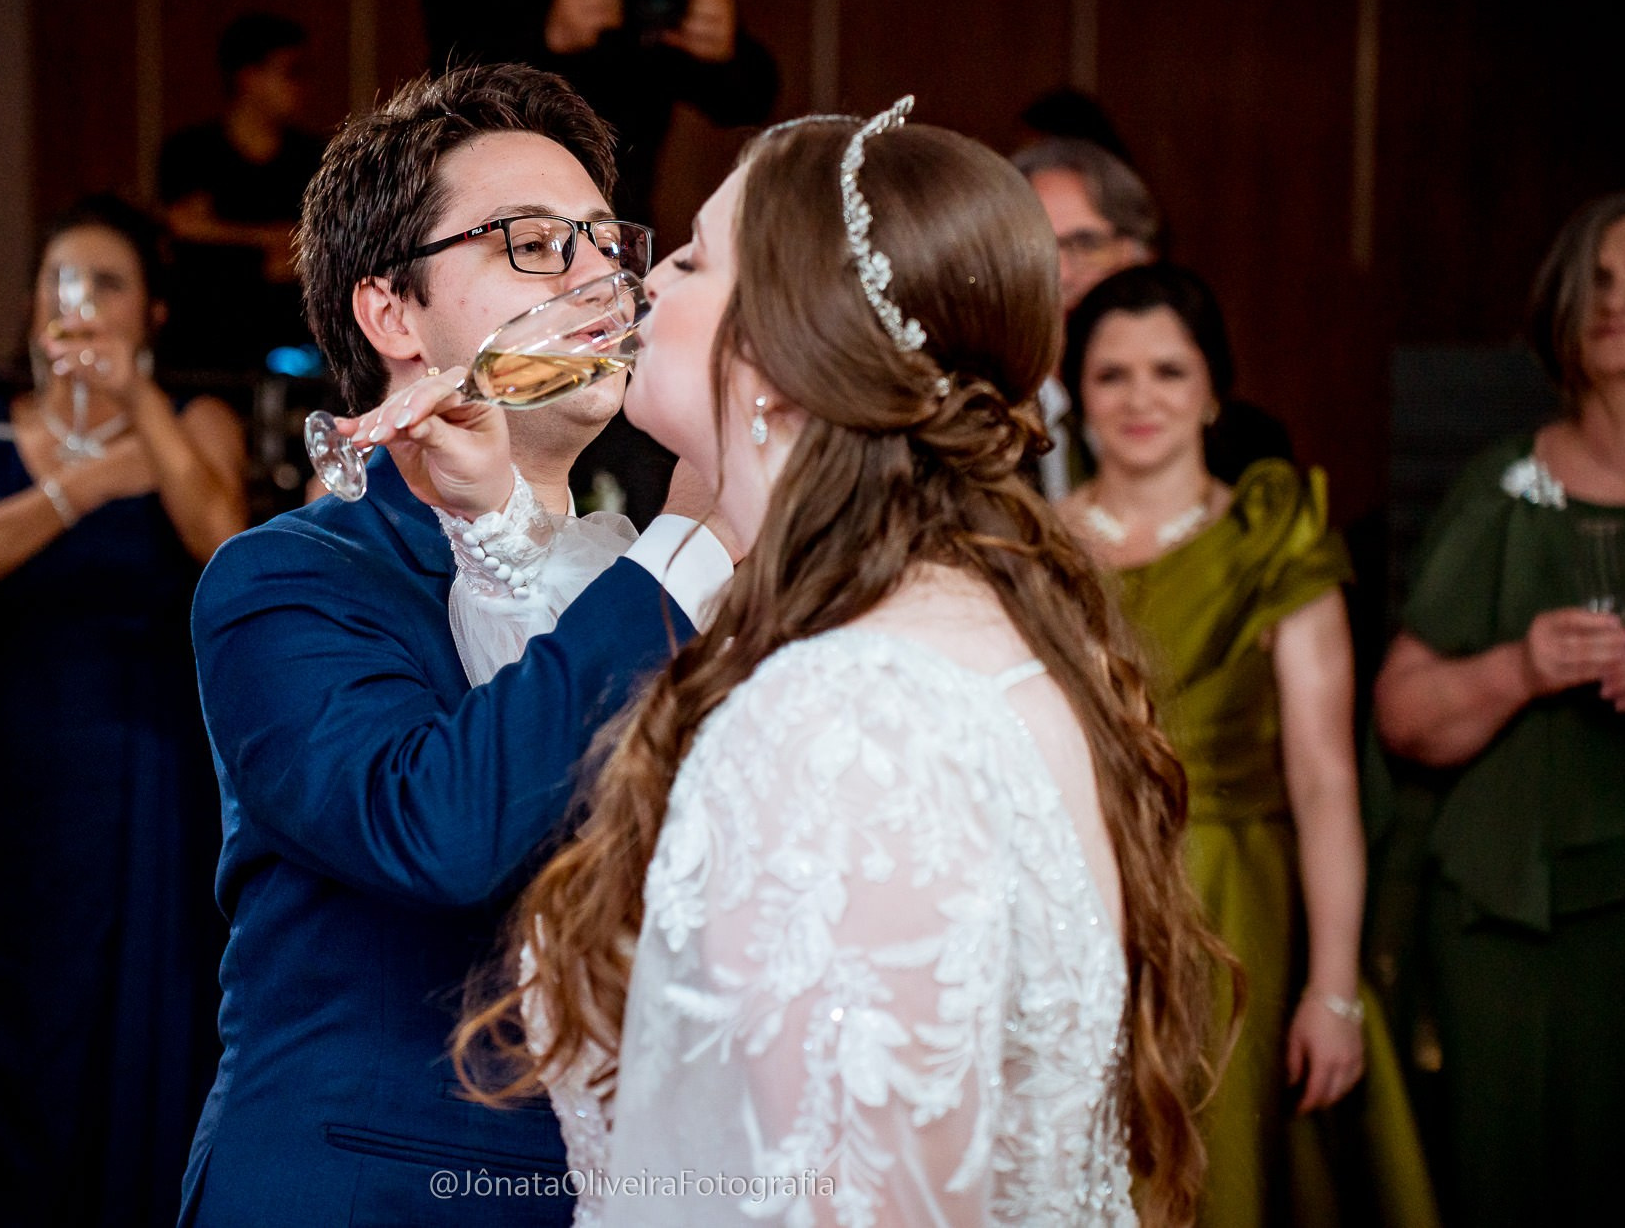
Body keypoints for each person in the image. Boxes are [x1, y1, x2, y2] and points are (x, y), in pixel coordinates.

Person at [454, 100, 1238, 1228]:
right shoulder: (931, 637)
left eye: (692, 257)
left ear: (778, 356)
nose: (645, 282)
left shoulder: (849, 718)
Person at [178, 61, 734, 1228]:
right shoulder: (286, 581)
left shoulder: (647, 570)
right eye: (533, 245)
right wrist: (691, 543)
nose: (599, 280)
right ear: (391, 312)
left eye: (607, 244)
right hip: (369, 1192)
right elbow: (436, 830)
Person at [0, 195, 245, 1227]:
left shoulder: (194, 421)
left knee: (133, 1028)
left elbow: (223, 540)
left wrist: (138, 407)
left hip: (140, 784)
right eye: (59, 282)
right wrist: (75, 490)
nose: (77, 303)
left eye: (107, 284)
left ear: (152, 311)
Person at [1057, 263, 1438, 1228]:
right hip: (1072, 897)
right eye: (1112, 374)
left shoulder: (1271, 541)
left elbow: (1325, 782)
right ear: (1077, 396)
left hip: (1237, 909)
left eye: (1169, 371)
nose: (1140, 398)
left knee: (1226, 1171)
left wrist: (1333, 987)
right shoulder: (1032, 548)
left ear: (1213, 390)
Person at [1373, 188, 1625, 1228]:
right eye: (1597, 279)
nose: (1617, 299)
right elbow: (1401, 715)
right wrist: (1517, 669)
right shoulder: (1503, 487)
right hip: (1506, 918)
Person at [423, 0, 780, 527]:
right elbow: (445, 102)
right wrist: (551, 35)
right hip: (508, 265)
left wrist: (724, 45)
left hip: (619, 262)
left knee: (633, 475)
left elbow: (749, 97)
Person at [1012, 136, 1291, 497]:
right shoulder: (973, 430)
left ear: (1140, 253)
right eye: (1036, 249)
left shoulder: (1250, 451)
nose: (1062, 274)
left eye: (1086, 244)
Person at [157, 13, 327, 373]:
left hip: (292, 334)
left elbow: (315, 248)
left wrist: (225, 237)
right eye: (291, 72)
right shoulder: (192, 152)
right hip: (205, 336)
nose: (301, 87)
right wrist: (265, 242)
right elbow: (182, 230)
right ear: (249, 77)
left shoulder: (313, 157)